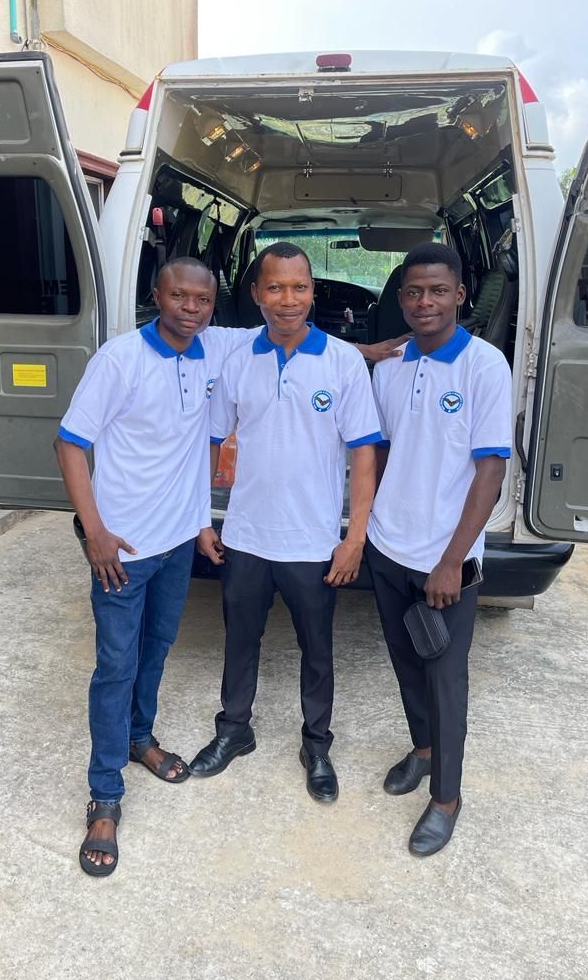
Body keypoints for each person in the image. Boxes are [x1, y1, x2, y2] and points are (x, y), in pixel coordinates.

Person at [55, 257, 257, 877]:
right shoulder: (119, 360)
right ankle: (105, 796)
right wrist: (95, 533)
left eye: (202, 299)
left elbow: (292, 325)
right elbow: (70, 442)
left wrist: (383, 349)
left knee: (157, 647)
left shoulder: (209, 352)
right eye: (179, 297)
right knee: (115, 666)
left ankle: (141, 739)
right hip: (123, 549)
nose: (190, 308)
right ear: (157, 295)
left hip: (174, 546)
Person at [190, 242, 382, 802]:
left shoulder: (342, 361)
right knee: (240, 640)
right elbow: (210, 437)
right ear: (256, 294)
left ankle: (317, 745)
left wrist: (354, 538)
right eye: (275, 287)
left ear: (312, 292)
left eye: (298, 287)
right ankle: (234, 731)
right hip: (246, 533)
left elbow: (364, 453)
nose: (287, 299)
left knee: (317, 647)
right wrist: (204, 516)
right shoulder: (237, 358)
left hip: (312, 539)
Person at [364, 242, 512, 856]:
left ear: (459, 295)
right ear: (401, 300)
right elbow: (386, 450)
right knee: (405, 661)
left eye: (437, 290)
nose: (426, 301)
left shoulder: (485, 366)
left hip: (446, 560)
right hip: (387, 545)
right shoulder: (390, 368)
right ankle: (423, 752)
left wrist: (452, 560)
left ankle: (446, 798)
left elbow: (490, 470)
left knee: (446, 678)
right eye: (413, 292)